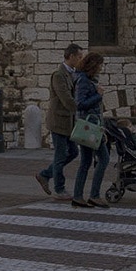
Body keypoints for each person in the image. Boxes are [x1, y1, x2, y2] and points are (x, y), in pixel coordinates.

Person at [39, 44, 83, 197]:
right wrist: (83, 106)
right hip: (58, 122)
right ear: (71, 56)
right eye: (79, 57)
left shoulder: (74, 74)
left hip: (69, 122)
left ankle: (45, 174)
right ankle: (60, 188)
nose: (80, 60)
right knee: (60, 155)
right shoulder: (58, 75)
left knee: (73, 152)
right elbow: (66, 99)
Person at [71, 52, 112, 208]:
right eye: (100, 64)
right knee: (104, 158)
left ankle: (78, 196)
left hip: (92, 126)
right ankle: (94, 195)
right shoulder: (83, 80)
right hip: (90, 127)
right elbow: (80, 103)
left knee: (86, 161)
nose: (101, 68)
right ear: (93, 65)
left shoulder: (86, 79)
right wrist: (98, 95)